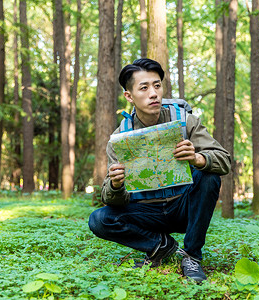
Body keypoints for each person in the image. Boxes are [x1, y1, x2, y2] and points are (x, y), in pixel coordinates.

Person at [88, 58, 231, 282]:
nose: (153, 93)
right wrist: (116, 184)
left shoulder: (185, 121)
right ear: (129, 96)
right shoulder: (120, 138)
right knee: (99, 220)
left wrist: (197, 158)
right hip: (146, 213)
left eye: (157, 85)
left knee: (208, 176)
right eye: (143, 88)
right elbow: (111, 199)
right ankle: (160, 246)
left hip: (183, 208)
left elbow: (224, 160)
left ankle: (192, 256)